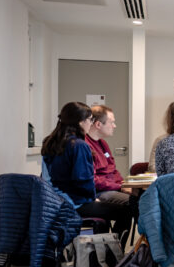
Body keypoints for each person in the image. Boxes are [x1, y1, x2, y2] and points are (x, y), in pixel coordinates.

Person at [42, 102, 131, 239]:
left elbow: (46, 178)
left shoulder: (50, 142)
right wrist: (92, 199)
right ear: (80, 122)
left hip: (55, 202)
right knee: (126, 212)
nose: (91, 124)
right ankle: (113, 253)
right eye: (90, 120)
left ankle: (106, 250)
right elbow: (83, 180)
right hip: (76, 203)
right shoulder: (80, 146)